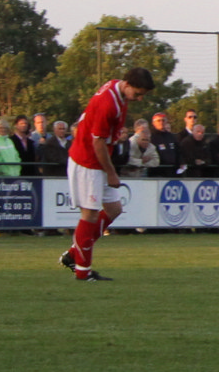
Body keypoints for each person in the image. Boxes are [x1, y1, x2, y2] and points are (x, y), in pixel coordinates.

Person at [60, 66, 156, 282]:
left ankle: (74, 254)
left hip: (98, 161)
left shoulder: (116, 88)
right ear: (127, 84)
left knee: (114, 209)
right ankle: (83, 272)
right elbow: (98, 142)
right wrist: (111, 173)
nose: (139, 98)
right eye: (137, 93)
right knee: (90, 215)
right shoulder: (108, 104)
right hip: (87, 162)